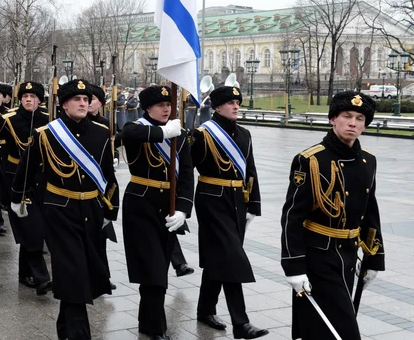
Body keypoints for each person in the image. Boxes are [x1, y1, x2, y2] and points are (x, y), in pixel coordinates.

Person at [11, 79, 119, 340]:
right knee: (72, 270)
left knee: (83, 271)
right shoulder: (46, 134)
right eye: (77, 100)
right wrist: (17, 199)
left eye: (86, 99)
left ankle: (67, 330)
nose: (83, 103)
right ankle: (79, 333)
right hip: (60, 209)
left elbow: (108, 174)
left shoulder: (102, 133)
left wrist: (110, 210)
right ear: (63, 104)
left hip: (92, 209)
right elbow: (27, 168)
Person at [280, 91, 384, 340]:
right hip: (319, 257)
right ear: (332, 119)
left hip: (349, 255)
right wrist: (293, 266)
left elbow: (370, 212)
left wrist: (373, 258)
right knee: (343, 331)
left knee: (321, 329)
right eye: (346, 116)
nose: (353, 123)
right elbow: (292, 217)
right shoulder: (311, 159)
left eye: (360, 118)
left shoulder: (368, 161)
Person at [191, 80, 269, 339]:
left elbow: (251, 170)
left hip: (237, 200)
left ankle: (205, 310)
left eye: (237, 103)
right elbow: (182, 171)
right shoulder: (203, 133)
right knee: (232, 258)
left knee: (219, 257)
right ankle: (241, 323)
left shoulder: (244, 134)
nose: (235, 107)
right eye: (230, 103)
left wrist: (253, 205)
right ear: (217, 107)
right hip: (211, 199)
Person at [120, 85, 194, 340]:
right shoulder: (140, 128)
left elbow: (185, 175)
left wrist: (184, 209)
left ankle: (147, 321)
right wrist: (163, 132)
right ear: (148, 108)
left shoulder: (179, 135)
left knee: (159, 267)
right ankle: (155, 328)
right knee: (152, 268)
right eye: (160, 105)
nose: (166, 109)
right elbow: (128, 134)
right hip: (141, 205)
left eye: (168, 105)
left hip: (169, 207)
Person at [0, 81, 52, 294]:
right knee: (31, 228)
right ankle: (41, 277)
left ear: (40, 100)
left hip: (41, 180)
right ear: (20, 99)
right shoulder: (9, 119)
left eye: (33, 96)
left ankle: (25, 274)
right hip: (16, 180)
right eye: (25, 96)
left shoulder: (48, 120)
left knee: (33, 229)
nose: (29, 99)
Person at [88, 83, 117, 290]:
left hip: (100, 184)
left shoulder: (105, 124)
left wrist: (114, 157)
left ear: (100, 103)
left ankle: (103, 275)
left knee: (102, 234)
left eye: (92, 99)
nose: (87, 103)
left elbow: (110, 146)